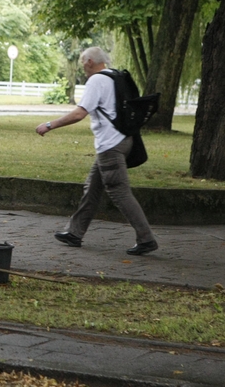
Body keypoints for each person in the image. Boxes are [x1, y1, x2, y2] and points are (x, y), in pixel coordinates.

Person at [35, 47, 158, 256]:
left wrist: (49, 125)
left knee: (119, 191)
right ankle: (75, 233)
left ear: (90, 61)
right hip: (124, 140)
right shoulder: (114, 76)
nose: (82, 67)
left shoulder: (96, 81)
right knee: (92, 187)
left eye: (83, 63)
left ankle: (146, 238)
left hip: (110, 145)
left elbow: (79, 114)